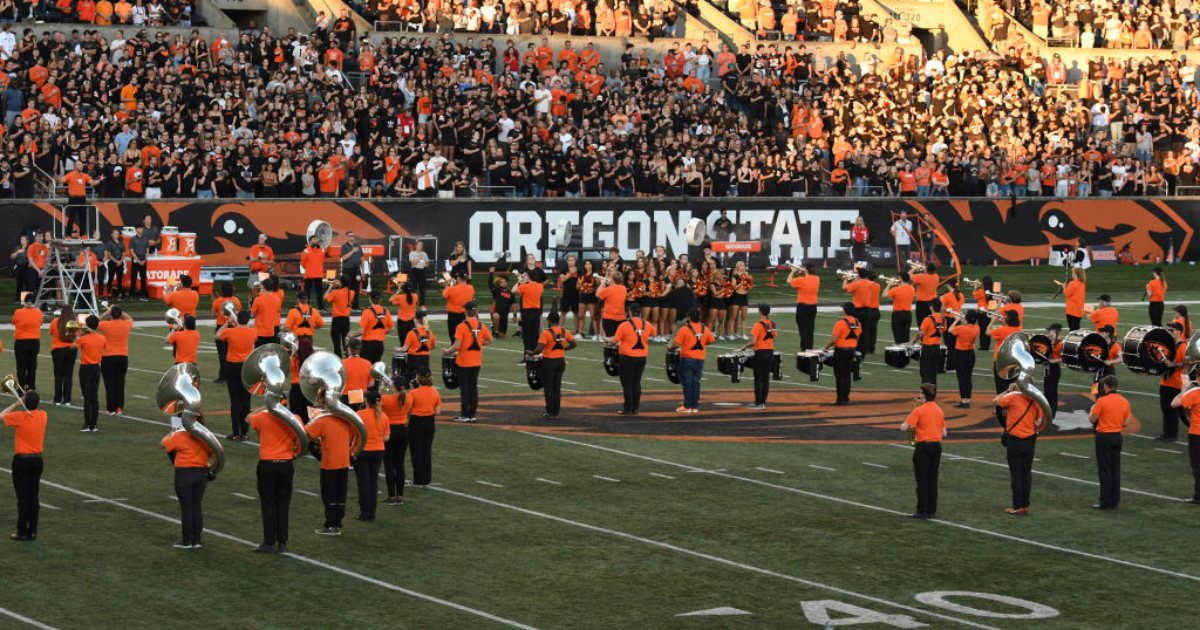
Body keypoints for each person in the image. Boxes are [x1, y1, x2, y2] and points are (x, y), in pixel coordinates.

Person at [248, 396, 300, 554]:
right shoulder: (295, 418)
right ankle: (283, 543)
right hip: (286, 464)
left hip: (267, 465)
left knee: (268, 503)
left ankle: (269, 542)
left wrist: (265, 407)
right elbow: (301, 439)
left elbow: (247, 418)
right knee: (283, 504)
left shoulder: (262, 417)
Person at [161, 418, 215, 548]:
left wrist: (174, 431)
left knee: (186, 508)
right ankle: (196, 540)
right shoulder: (205, 437)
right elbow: (214, 454)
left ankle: (186, 541)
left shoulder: (180, 435)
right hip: (201, 473)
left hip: (184, 473)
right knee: (197, 507)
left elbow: (163, 444)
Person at [995, 382, 1046, 515]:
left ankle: (1017, 506)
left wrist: (1008, 390)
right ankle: (1025, 506)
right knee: (1026, 474)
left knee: (1016, 475)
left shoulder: (1012, 397)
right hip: (1030, 441)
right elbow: (1039, 422)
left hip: (1015, 441)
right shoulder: (1036, 401)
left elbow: (996, 401)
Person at [305, 398, 353, 536]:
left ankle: (331, 525)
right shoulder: (347, 420)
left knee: (329, 495)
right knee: (340, 494)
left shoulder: (323, 421)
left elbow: (307, 436)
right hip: (344, 462)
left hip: (330, 463)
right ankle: (338, 524)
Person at [3, 390, 46, 542]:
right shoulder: (43, 415)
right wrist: (27, 400)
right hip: (37, 461)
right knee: (33, 497)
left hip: (22, 462)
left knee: (23, 498)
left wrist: (16, 403)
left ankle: (21, 532)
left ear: (25, 403)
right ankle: (32, 532)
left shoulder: (20, 417)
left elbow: (1, 416)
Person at [901, 383, 946, 519]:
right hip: (936, 446)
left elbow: (903, 427)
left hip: (923, 447)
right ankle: (931, 511)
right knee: (933, 479)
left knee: (922, 480)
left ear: (924, 395)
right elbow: (944, 433)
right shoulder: (939, 410)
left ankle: (922, 510)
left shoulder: (919, 410)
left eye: (920, 393)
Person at [1089, 375, 1131, 510]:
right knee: (1115, 470)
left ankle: (1105, 501)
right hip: (1117, 436)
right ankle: (1114, 501)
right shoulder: (1124, 401)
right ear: (1116, 386)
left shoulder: (1101, 401)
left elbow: (1092, 419)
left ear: (1106, 386)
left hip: (1104, 437)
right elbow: (1126, 423)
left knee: (1105, 470)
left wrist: (1092, 410)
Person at [445, 301, 492, 422]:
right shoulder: (481, 326)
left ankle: (464, 414)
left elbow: (456, 346)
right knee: (473, 388)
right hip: (476, 361)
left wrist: (447, 351)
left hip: (463, 362)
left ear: (465, 311)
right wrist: (479, 342)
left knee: (464, 388)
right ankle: (472, 414)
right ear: (476, 312)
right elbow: (490, 340)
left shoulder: (461, 326)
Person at [607, 302, 657, 415]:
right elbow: (653, 333)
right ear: (640, 313)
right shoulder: (647, 324)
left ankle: (628, 408)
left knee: (627, 383)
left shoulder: (624, 325)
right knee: (636, 382)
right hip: (642, 357)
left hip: (627, 357)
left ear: (630, 312)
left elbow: (615, 341)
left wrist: (607, 340)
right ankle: (635, 408)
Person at [527, 309, 576, 418]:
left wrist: (531, 353)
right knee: (557, 387)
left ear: (549, 321)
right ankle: (556, 411)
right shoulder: (565, 331)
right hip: (561, 361)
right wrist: (564, 348)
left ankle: (550, 411)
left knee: (548, 388)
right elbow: (574, 344)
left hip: (549, 362)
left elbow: (540, 349)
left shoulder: (546, 333)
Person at [216, 310, 256, 441]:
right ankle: (244, 432)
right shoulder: (253, 332)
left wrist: (228, 322)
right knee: (246, 401)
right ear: (248, 320)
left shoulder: (230, 331)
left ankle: (235, 433)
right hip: (247, 367)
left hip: (232, 366)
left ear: (237, 319)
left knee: (235, 401)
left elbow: (217, 335)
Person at [669, 309, 714, 414]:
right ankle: (695, 406)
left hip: (687, 358)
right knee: (696, 382)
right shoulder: (704, 328)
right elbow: (711, 340)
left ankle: (687, 406)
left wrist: (670, 347)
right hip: (700, 359)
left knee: (687, 382)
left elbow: (676, 344)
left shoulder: (684, 329)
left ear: (689, 318)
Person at [353, 391, 388, 522]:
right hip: (378, 451)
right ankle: (372, 513)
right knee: (373, 483)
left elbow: (352, 432)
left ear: (366, 401)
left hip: (362, 451)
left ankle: (364, 513)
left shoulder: (360, 414)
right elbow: (386, 437)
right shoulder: (383, 416)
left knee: (363, 484)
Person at [406, 368, 442, 488]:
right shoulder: (435, 392)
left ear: (418, 378)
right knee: (426, 450)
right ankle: (426, 479)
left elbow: (408, 409)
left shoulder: (413, 393)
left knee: (416, 451)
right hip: (429, 422)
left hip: (416, 422)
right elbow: (438, 412)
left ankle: (418, 480)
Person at [736, 304, 775, 410]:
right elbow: (773, 337)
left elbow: (753, 341)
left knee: (758, 379)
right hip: (770, 352)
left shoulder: (757, 325)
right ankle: (763, 403)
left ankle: (758, 403)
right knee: (765, 379)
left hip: (760, 353)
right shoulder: (772, 323)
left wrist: (744, 346)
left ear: (760, 312)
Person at [1170, 373, 1200, 504]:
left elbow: (1174, 404)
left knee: (1197, 466)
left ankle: (1198, 496)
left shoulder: (1195, 393)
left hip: (1197, 434)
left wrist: (1183, 390)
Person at [823, 303, 861, 405]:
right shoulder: (858, 323)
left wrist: (826, 348)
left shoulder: (840, 323)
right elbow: (857, 338)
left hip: (840, 351)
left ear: (844, 311)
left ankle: (840, 399)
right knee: (847, 374)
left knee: (839, 375)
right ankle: (846, 398)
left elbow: (833, 340)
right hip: (851, 351)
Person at [98, 305, 132, 416]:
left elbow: (94, 323)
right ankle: (119, 408)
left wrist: (105, 313)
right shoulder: (126, 324)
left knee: (109, 383)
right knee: (120, 382)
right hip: (122, 356)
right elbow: (129, 318)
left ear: (111, 315)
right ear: (120, 314)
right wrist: (120, 311)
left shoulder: (105, 324)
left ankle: (111, 409)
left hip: (108, 356)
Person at [1156, 322, 1188, 442]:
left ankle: (1173, 434)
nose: (1169, 332)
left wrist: (1173, 364)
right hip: (1165, 381)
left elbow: (1187, 364)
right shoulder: (1169, 345)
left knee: (1177, 412)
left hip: (1176, 383)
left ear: (1179, 331)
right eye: (1168, 330)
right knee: (1165, 409)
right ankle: (1167, 433)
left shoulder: (1183, 346)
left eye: (1172, 330)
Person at [72, 315, 105, 432]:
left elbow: (72, 347)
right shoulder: (102, 338)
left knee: (87, 397)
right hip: (96, 368)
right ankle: (94, 425)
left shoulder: (84, 338)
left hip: (85, 368)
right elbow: (104, 348)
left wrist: (79, 335)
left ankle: (87, 424)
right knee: (94, 396)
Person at [381, 380, 411, 506]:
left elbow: (374, 400)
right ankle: (400, 496)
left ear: (394, 386)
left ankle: (391, 496)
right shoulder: (409, 397)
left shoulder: (386, 399)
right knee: (399, 464)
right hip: (403, 431)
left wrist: (383, 386)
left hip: (389, 431)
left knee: (389, 465)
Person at [12, 294, 43, 393]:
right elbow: (40, 323)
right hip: (34, 342)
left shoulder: (18, 312)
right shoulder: (39, 313)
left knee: (21, 367)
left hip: (21, 341)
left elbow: (14, 322)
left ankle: (22, 387)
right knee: (32, 366)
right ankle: (31, 387)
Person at [948, 310, 979, 407]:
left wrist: (957, 320)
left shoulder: (961, 328)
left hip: (960, 354)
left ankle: (963, 400)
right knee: (968, 377)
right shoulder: (977, 328)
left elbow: (950, 330)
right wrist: (964, 320)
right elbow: (968, 326)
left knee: (961, 377)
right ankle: (967, 400)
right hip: (971, 354)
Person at [987, 310, 1023, 393]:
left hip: (1001, 362)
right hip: (1013, 361)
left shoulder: (1001, 330)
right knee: (1011, 386)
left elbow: (987, 332)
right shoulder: (1019, 330)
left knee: (1001, 387)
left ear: (1008, 319)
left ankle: (1002, 401)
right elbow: (1008, 329)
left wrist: (992, 320)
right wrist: (1002, 322)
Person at [912, 305, 946, 389]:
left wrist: (913, 341)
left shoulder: (928, 319)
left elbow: (921, 333)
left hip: (927, 348)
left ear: (931, 307)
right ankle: (932, 393)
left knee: (925, 372)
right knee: (933, 372)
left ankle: (925, 393)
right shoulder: (944, 319)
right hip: (937, 348)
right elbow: (937, 332)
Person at [515, 269, 546, 362]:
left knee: (527, 336)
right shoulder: (540, 286)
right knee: (535, 335)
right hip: (536, 312)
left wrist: (520, 281)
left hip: (527, 312)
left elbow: (516, 290)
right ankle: (534, 356)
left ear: (528, 277)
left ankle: (527, 358)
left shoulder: (524, 286)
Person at [355, 291, 393, 365]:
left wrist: (353, 336)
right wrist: (381, 332)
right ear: (380, 299)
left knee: (366, 365)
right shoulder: (386, 311)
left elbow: (361, 331)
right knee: (376, 366)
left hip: (367, 344)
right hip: (379, 344)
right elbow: (391, 328)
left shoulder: (367, 311)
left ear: (370, 299)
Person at [788, 263, 819, 351]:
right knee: (810, 330)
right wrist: (802, 272)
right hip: (813, 307)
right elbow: (806, 280)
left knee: (803, 330)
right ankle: (809, 349)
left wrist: (793, 272)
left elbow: (789, 281)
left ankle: (804, 349)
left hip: (803, 308)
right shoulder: (817, 279)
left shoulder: (801, 280)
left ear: (806, 269)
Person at [49, 306, 77, 406]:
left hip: (57, 350)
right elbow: (77, 335)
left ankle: (57, 399)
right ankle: (67, 400)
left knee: (58, 375)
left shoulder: (55, 321)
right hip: (71, 349)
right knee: (68, 375)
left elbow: (51, 332)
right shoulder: (75, 323)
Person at [403, 311, 436, 386]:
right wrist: (426, 349)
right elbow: (434, 346)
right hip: (425, 359)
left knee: (412, 380)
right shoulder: (429, 332)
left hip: (413, 359)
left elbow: (404, 349)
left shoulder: (411, 333)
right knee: (424, 379)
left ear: (416, 320)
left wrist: (397, 349)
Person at [325, 274, 353, 358]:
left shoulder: (336, 292)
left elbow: (325, 298)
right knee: (346, 340)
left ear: (341, 282)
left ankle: (338, 357)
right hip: (346, 319)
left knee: (336, 341)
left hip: (337, 319)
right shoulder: (351, 293)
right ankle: (348, 355)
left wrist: (330, 287)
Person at [442, 270, 475, 340]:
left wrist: (448, 285)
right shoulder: (471, 288)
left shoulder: (452, 289)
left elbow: (444, 295)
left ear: (459, 278)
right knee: (464, 334)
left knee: (453, 335)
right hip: (465, 314)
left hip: (453, 315)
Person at [251, 277, 283, 347]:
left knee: (260, 352)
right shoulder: (277, 299)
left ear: (263, 287)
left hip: (259, 331)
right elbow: (278, 311)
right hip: (271, 331)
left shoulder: (258, 300)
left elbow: (252, 314)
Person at [596, 270, 628, 337]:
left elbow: (597, 295)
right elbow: (616, 288)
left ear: (613, 280)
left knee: (610, 338)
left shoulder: (608, 290)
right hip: (621, 318)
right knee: (618, 339)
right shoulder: (624, 289)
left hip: (609, 318)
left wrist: (602, 284)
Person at [886, 272, 915, 345]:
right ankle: (906, 351)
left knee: (898, 337)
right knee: (906, 337)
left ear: (900, 279)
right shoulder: (912, 289)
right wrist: (899, 285)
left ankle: (899, 351)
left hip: (897, 314)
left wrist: (889, 285)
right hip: (908, 314)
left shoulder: (896, 289)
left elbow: (884, 294)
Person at [301, 234, 327, 308]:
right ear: (310, 241)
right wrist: (310, 268)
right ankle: (306, 307)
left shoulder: (322, 250)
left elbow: (322, 261)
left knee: (319, 292)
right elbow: (303, 263)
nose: (316, 241)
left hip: (319, 274)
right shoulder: (306, 251)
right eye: (314, 239)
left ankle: (321, 307)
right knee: (307, 292)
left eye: (317, 239)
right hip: (309, 275)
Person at [339, 232, 364, 310]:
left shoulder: (358, 246)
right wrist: (353, 251)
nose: (352, 237)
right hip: (347, 270)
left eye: (353, 235)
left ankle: (355, 306)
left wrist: (363, 271)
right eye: (350, 236)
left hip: (357, 270)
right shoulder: (344, 247)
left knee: (356, 288)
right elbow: (344, 258)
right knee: (347, 288)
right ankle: (346, 305)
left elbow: (362, 259)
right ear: (347, 237)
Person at [487, 269, 514, 338]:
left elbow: (513, 304)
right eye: (501, 282)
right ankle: (495, 331)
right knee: (496, 316)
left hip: (504, 316)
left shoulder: (510, 293)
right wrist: (491, 273)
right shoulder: (496, 290)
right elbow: (490, 284)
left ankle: (493, 327)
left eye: (505, 282)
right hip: (496, 312)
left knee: (502, 336)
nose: (503, 283)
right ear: (498, 283)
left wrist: (515, 315)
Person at [1044, 324, 1063, 419]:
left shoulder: (1061, 343)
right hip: (1047, 368)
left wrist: (1054, 361)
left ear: (1056, 331)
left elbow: (1064, 358)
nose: (1049, 332)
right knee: (1046, 391)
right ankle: (1047, 411)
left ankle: (1052, 412)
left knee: (1052, 391)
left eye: (1050, 330)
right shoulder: (1051, 341)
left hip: (1054, 368)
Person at [390, 281, 418, 346]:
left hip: (402, 321)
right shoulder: (415, 296)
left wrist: (398, 291)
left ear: (403, 290)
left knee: (403, 341)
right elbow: (411, 294)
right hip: (411, 321)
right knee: (411, 341)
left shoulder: (400, 297)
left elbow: (390, 299)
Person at [128, 224, 149, 300]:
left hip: (143, 260)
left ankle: (144, 295)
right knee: (133, 278)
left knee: (143, 278)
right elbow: (132, 251)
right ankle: (132, 295)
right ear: (136, 229)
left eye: (142, 228)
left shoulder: (146, 238)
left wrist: (145, 259)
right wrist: (138, 261)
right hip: (135, 260)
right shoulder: (133, 239)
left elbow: (147, 250)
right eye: (139, 228)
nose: (141, 230)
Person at [408, 240, 429, 306]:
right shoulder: (412, 253)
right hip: (414, 271)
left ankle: (422, 304)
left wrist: (424, 264)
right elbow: (413, 263)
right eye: (419, 245)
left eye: (421, 245)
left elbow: (427, 263)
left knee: (422, 288)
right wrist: (419, 258)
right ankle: (413, 303)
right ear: (416, 246)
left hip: (422, 271)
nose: (420, 246)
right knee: (413, 288)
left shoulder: (424, 254)